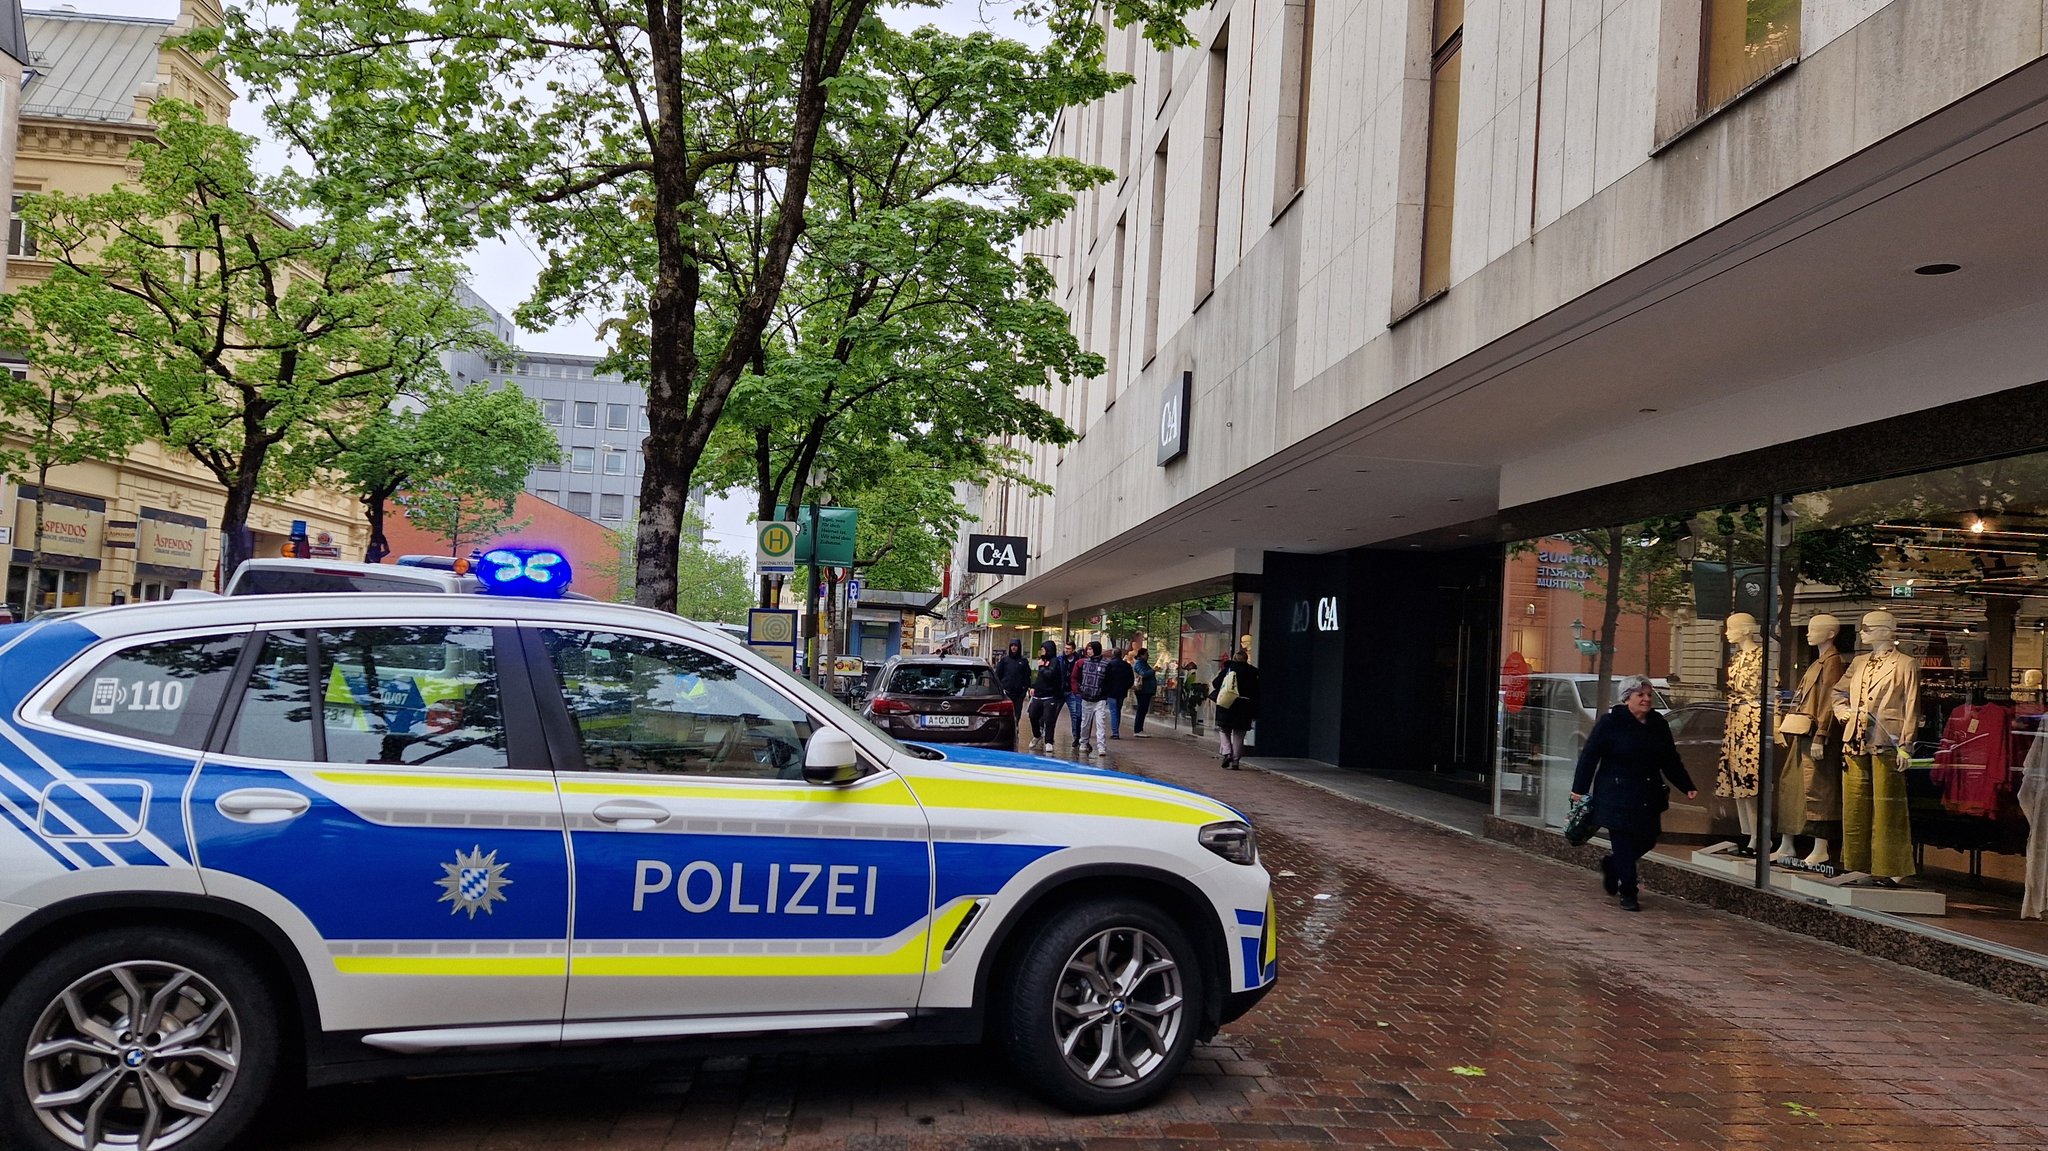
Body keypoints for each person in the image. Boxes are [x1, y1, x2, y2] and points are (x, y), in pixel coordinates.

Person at [1569, 675, 1698, 912]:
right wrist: (1579, 789)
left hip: (1647, 793)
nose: (1647, 699)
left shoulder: (1658, 723)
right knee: (1624, 842)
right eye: (1641, 695)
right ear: (1627, 698)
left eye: (1649, 695)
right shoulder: (1611, 723)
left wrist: (1686, 784)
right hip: (1615, 792)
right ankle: (1628, 892)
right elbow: (1589, 756)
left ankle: (1612, 864)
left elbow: (1669, 758)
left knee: (1647, 838)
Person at [1211, 649, 1258, 769]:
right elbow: (1257, 691)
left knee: (1224, 729)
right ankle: (1236, 761)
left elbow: (1216, 683)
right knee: (1239, 733)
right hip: (1245, 705)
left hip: (1228, 702)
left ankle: (1227, 753)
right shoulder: (1252, 672)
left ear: (1235, 658)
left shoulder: (1229, 669)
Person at [1026, 640, 1066, 752]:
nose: (1042, 651)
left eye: (1043, 649)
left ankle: (1049, 741)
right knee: (1032, 715)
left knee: (1049, 719)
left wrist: (1043, 667)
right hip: (1038, 695)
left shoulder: (1055, 662)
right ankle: (1037, 734)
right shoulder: (1041, 661)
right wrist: (1033, 686)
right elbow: (1039, 677)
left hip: (1050, 695)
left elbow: (1050, 675)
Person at [993, 639, 1030, 746]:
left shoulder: (1023, 661)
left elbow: (1027, 676)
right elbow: (998, 675)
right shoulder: (1004, 661)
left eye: (1016, 646)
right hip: (1006, 692)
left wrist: (1024, 689)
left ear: (1019, 647)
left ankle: (1015, 728)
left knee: (1017, 713)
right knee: (1007, 713)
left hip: (1019, 693)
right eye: (1012, 645)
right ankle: (1007, 730)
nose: (1014, 647)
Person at [1077, 641, 1112, 755]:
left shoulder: (1106, 664)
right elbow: (1079, 677)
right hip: (1086, 697)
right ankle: (1083, 742)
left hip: (1100, 699)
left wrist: (1103, 692)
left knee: (1100, 722)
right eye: (1087, 649)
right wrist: (1081, 688)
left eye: (1090, 649)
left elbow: (1108, 680)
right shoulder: (1084, 663)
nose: (1088, 651)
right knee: (1085, 723)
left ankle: (1101, 746)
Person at [1102, 647, 1135, 739]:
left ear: (1113, 655)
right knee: (1118, 710)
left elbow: (1105, 678)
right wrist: (1126, 687)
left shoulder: (1109, 665)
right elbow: (1130, 679)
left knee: (1113, 711)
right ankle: (1115, 730)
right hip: (1122, 691)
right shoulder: (1126, 666)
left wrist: (1106, 689)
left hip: (1111, 691)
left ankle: (1115, 732)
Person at [1063, 640, 1086, 749]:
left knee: (1076, 715)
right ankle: (1048, 738)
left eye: (1068, 648)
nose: (1066, 650)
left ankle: (1076, 737)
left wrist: (1077, 689)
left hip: (1072, 691)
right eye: (1065, 648)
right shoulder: (1060, 659)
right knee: (1051, 715)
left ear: (1073, 649)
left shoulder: (1078, 661)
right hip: (1061, 690)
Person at [1132, 647, 1158, 736]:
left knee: (1143, 709)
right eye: (1146, 654)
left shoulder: (1143, 663)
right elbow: (1143, 674)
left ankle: (1139, 729)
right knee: (1142, 709)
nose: (1148, 656)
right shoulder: (1139, 664)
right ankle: (1138, 730)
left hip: (1146, 690)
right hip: (1143, 690)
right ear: (1142, 655)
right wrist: (1153, 670)